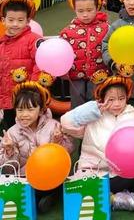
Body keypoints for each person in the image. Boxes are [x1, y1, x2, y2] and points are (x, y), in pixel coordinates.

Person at [61, 74, 134, 211]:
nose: (116, 104)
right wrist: (92, 109)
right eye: (111, 99)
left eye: (121, 99)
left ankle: (112, 197)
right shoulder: (92, 116)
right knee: (84, 186)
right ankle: (115, 199)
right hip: (95, 171)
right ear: (102, 99)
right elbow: (66, 123)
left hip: (123, 173)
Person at [0, 80, 74, 213]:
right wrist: (9, 150)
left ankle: (50, 195)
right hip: (26, 178)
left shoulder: (53, 126)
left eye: (30, 109)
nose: (24, 114)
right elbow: (8, 169)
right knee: (19, 191)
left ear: (41, 110)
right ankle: (42, 199)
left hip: (51, 175)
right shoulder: (12, 133)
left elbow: (68, 152)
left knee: (53, 185)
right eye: (20, 109)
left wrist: (58, 141)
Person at [59, 0, 110, 108]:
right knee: (78, 108)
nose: (85, 14)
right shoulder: (67, 32)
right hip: (75, 77)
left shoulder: (107, 28)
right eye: (80, 11)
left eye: (90, 10)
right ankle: (78, 129)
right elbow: (60, 55)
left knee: (98, 105)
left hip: (100, 75)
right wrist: (63, 71)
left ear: (97, 7)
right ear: (74, 9)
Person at [0, 0, 42, 128]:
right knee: (10, 130)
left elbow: (41, 63)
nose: (15, 24)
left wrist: (32, 87)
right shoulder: (1, 43)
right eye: (10, 20)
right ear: (3, 20)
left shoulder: (33, 40)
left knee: (30, 130)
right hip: (7, 99)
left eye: (20, 20)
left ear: (28, 21)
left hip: (27, 99)